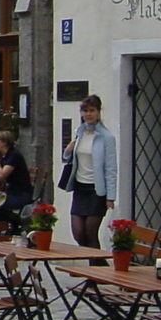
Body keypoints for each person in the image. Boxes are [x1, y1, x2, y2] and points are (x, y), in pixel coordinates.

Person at [62, 95, 117, 251]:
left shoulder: (107, 138)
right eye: (85, 111)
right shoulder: (79, 133)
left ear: (98, 112)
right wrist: (68, 151)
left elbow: (111, 169)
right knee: (78, 233)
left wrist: (110, 197)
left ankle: (96, 272)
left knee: (90, 232)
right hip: (80, 188)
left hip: (96, 191)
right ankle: (100, 266)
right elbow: (70, 158)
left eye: (92, 110)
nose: (88, 114)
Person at [0, 130, 33, 229]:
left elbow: (2, 176)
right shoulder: (4, 155)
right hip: (11, 192)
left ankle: (15, 224)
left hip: (20, 194)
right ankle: (13, 224)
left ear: (4, 142)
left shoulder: (14, 155)